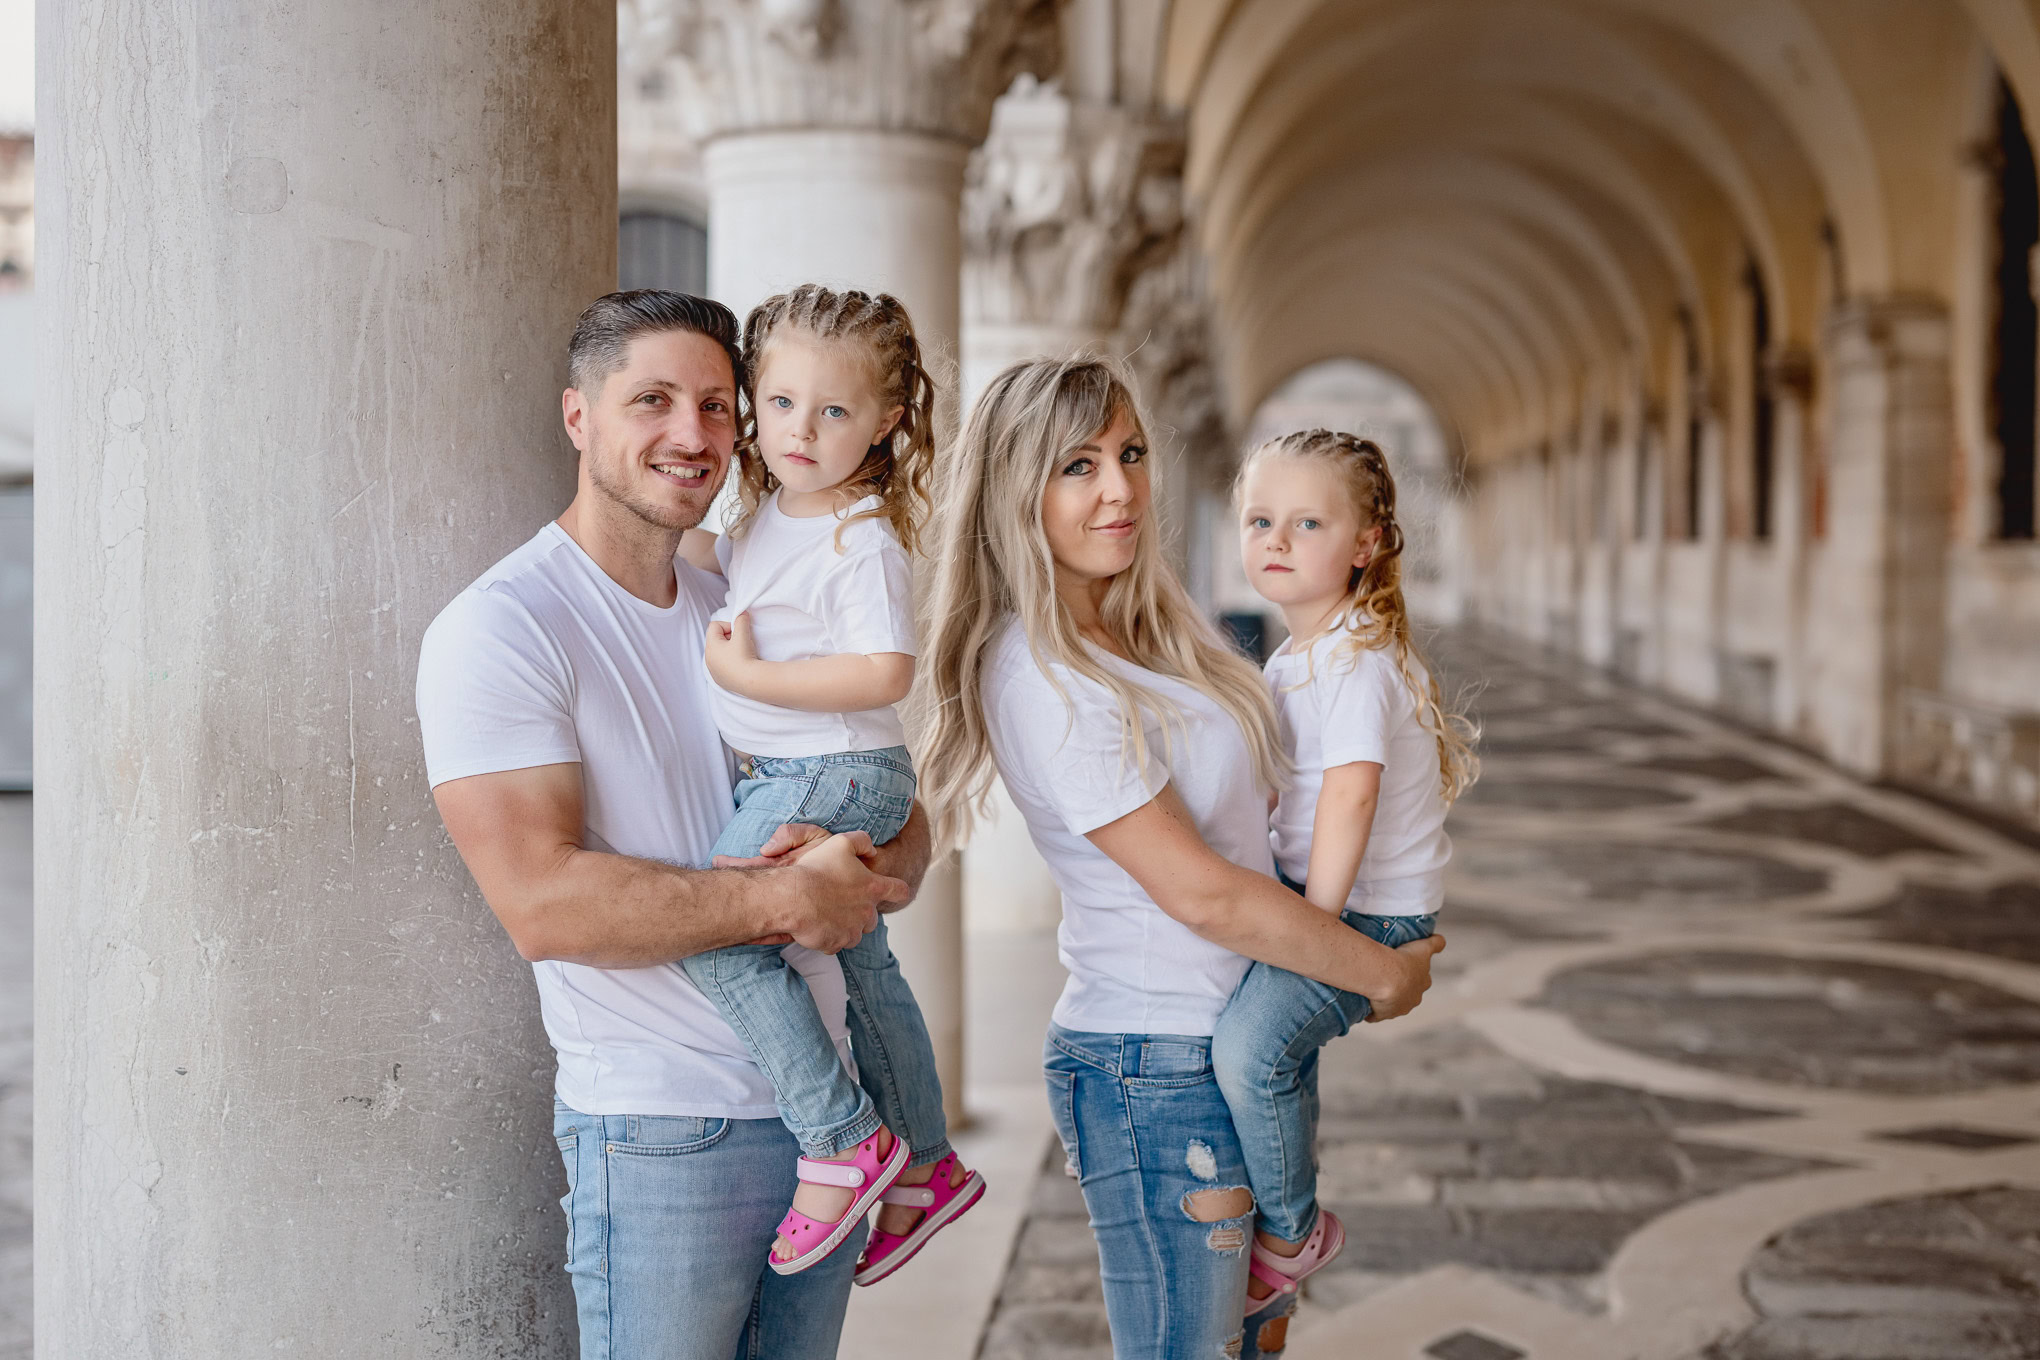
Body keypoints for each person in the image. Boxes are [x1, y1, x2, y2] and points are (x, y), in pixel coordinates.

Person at [415, 290, 930, 1360]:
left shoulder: (732, 602)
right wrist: (794, 895)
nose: (692, 434)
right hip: (661, 1131)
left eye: (715, 403)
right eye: (651, 401)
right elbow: (544, 904)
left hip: (822, 1124)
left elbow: (891, 809)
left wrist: (872, 859)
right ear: (579, 418)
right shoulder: (503, 628)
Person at [914, 356, 1447, 1360]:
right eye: (1076, 465)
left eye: (1130, 452)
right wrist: (1382, 977)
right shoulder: (1039, 670)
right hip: (1151, 1068)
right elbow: (1201, 891)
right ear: (1014, 489)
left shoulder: (1144, 626)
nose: (1120, 486)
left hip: (1236, 1044)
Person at [673, 283, 982, 1281]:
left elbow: (884, 670)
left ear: (888, 422)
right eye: (783, 403)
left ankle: (842, 1137)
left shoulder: (861, 535)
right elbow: (733, 563)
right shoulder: (771, 514)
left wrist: (747, 678)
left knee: (718, 931)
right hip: (814, 769)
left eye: (836, 411)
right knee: (861, 964)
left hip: (836, 766)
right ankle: (925, 1164)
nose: (802, 430)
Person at [1215, 428, 1479, 1305]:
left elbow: (1349, 797)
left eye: (1305, 523)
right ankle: (1276, 1213)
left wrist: (1313, 928)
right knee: (1279, 1054)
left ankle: (1290, 1234)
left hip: (1364, 915)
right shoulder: (1299, 655)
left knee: (1252, 1051)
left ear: (1365, 545)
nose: (1276, 541)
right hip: (1322, 899)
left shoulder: (1356, 660)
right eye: (1259, 519)